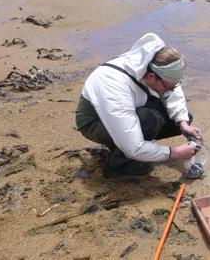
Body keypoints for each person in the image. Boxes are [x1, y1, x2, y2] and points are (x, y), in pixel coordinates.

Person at [75, 33, 202, 176]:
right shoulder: (113, 84)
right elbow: (133, 148)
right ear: (151, 77)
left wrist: (182, 122)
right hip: (94, 121)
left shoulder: (151, 63)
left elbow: (173, 89)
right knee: (151, 120)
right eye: (168, 87)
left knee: (182, 118)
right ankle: (119, 163)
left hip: (129, 106)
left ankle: (138, 146)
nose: (171, 91)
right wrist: (174, 153)